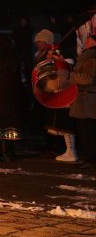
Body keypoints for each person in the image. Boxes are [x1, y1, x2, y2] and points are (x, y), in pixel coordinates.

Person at [35, 28, 78, 162]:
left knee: (65, 124)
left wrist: (58, 60)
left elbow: (68, 66)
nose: (37, 44)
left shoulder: (62, 52)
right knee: (57, 123)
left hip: (63, 91)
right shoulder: (40, 54)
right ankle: (64, 149)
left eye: (40, 41)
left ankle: (70, 151)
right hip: (52, 91)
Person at [65, 34, 96, 165]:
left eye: (89, 39)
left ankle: (91, 159)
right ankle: (89, 157)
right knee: (86, 131)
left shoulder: (92, 55)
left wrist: (70, 76)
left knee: (88, 131)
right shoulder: (88, 54)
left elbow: (88, 78)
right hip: (86, 99)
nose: (86, 41)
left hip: (88, 100)